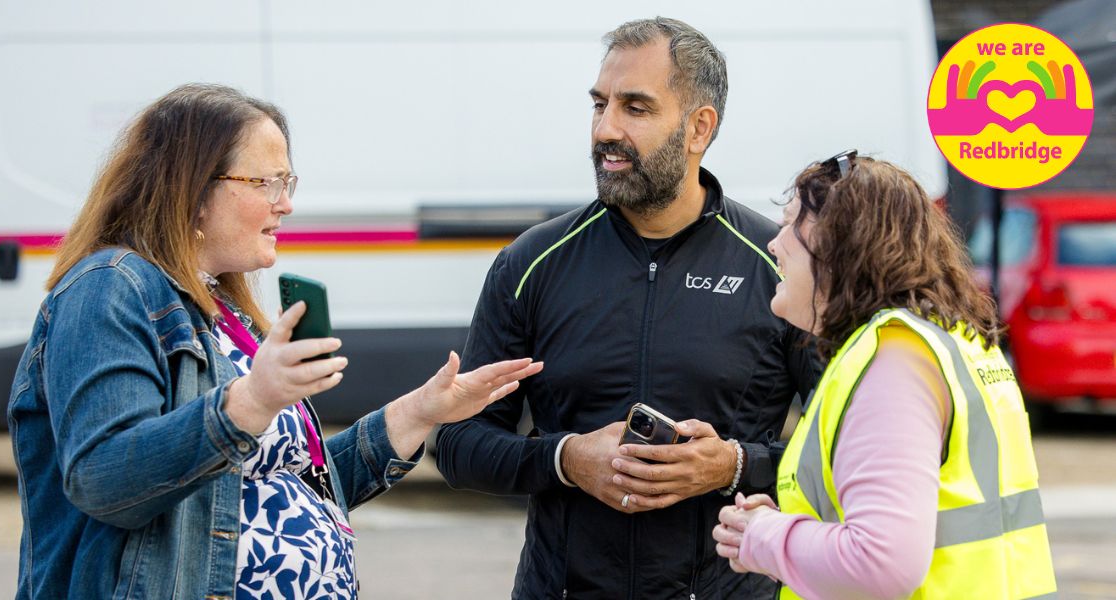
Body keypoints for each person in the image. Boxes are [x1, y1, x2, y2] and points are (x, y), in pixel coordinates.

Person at [7, 83, 542, 599]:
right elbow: (105, 480)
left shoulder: (220, 306)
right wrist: (252, 401)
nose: (285, 204)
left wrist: (421, 412)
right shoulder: (110, 288)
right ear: (192, 190)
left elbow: (298, 486)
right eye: (267, 183)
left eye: (289, 182)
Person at [436, 18, 818, 598]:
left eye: (635, 108)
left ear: (698, 128)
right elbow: (458, 444)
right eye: (599, 104)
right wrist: (565, 459)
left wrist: (734, 465)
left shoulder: (779, 268)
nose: (605, 129)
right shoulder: (532, 262)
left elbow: (845, 448)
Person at [712, 153, 1057, 599]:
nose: (774, 244)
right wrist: (787, 527)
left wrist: (764, 536)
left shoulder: (894, 359)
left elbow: (880, 562)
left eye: (790, 225)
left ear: (840, 244)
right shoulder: (950, 342)